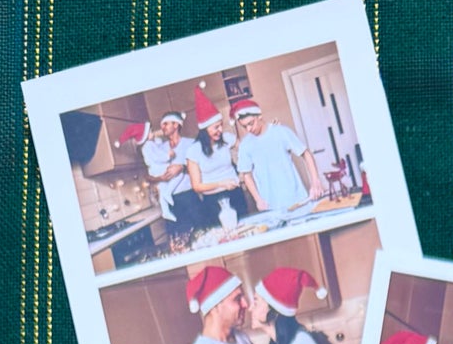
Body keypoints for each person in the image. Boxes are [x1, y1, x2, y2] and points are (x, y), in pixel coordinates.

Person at [234, 99, 318, 214]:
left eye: (250, 123)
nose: (249, 129)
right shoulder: (245, 145)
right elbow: (246, 175)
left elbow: (306, 153)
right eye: (244, 126)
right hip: (270, 205)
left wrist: (315, 182)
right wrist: (258, 199)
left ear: (259, 116)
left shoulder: (281, 132)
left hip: (297, 199)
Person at [183, 87, 244, 231]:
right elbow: (197, 186)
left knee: (243, 230)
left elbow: (247, 151)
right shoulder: (193, 151)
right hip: (213, 202)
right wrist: (221, 183)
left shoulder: (227, 139)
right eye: (216, 127)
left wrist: (242, 174)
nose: (220, 130)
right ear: (205, 129)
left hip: (235, 194)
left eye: (221, 126)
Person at [134, 109, 189, 238]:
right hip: (169, 201)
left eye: (165, 124)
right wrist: (160, 178)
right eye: (161, 124)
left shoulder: (190, 143)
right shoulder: (158, 147)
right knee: (177, 240)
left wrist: (182, 167)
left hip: (188, 198)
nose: (161, 127)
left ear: (176, 125)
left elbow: (201, 168)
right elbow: (147, 176)